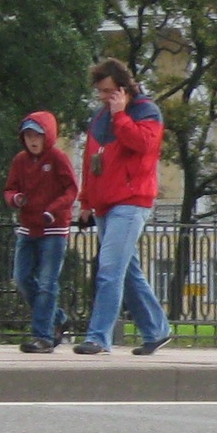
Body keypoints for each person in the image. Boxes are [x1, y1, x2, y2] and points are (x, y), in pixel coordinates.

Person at [73, 61, 172, 356]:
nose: (103, 97)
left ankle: (98, 337)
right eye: (100, 91)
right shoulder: (100, 117)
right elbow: (91, 160)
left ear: (123, 88)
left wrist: (120, 116)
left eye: (108, 91)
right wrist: (86, 201)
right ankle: (157, 330)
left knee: (109, 269)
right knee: (127, 271)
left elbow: (144, 145)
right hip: (105, 204)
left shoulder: (147, 111)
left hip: (131, 202)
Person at [3, 112, 79, 353]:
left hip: (54, 229)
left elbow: (71, 189)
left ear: (47, 136)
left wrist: (53, 210)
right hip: (28, 228)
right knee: (22, 278)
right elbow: (10, 188)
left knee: (47, 283)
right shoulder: (20, 161)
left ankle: (43, 337)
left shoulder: (57, 158)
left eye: (37, 135)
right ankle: (58, 318)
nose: (32, 141)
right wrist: (15, 198)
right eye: (28, 136)